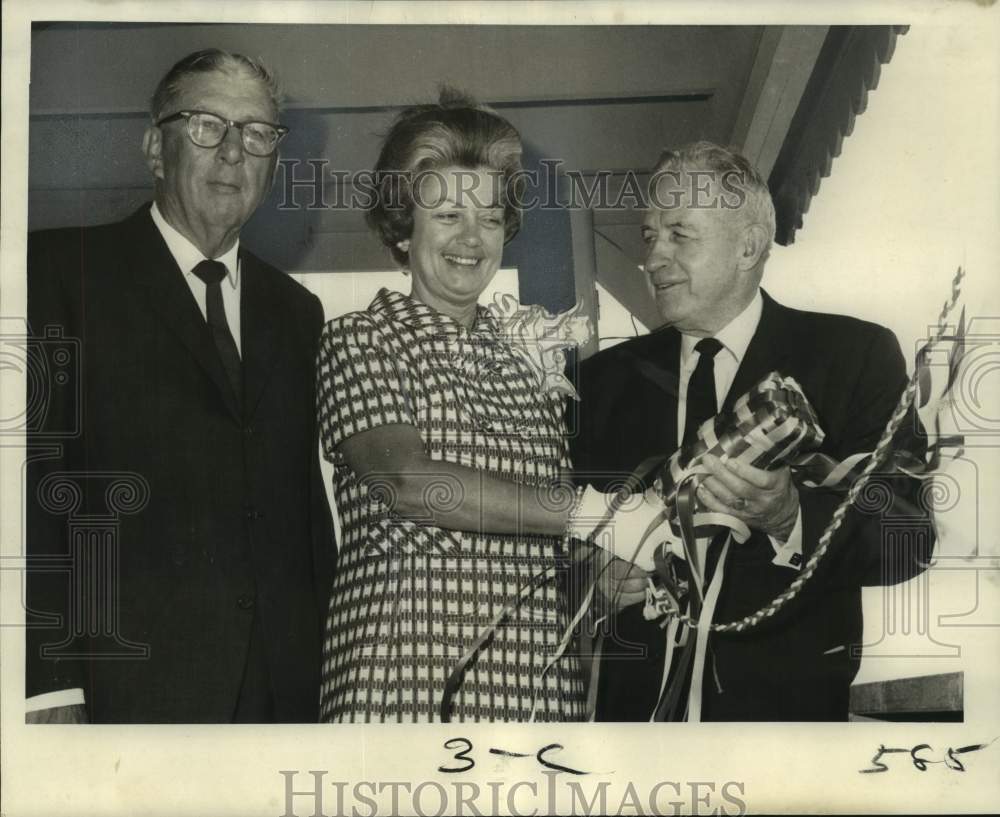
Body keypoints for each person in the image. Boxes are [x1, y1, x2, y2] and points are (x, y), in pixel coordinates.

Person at [315, 89, 673, 722]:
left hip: (537, 688)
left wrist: (603, 582)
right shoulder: (362, 337)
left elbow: (551, 547)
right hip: (407, 681)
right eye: (447, 215)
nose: (471, 238)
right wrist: (593, 513)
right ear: (404, 230)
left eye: (488, 216)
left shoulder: (529, 363)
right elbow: (409, 482)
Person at [570, 141, 932, 721]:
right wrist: (593, 578)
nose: (654, 257)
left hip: (784, 729)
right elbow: (555, 553)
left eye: (679, 234)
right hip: (633, 737)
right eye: (649, 236)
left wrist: (790, 519)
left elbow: (907, 537)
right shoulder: (598, 382)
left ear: (748, 246)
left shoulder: (855, 354)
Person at [25, 49, 333, 723]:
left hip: (286, 695)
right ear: (154, 149)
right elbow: (27, 487)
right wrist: (45, 683)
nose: (231, 152)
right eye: (205, 126)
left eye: (256, 133)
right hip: (123, 694)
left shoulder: (297, 312)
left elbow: (305, 514)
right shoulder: (57, 272)